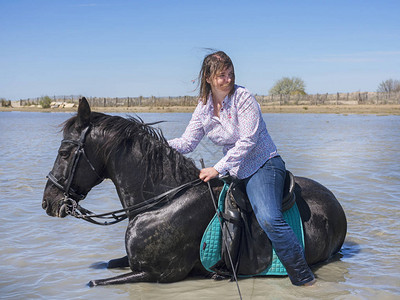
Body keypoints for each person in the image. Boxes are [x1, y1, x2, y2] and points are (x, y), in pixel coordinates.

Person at [168, 51, 316, 286]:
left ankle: (304, 277)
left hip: (263, 165)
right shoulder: (203, 107)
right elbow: (187, 143)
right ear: (208, 78)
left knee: (268, 217)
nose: (227, 79)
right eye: (221, 75)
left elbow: (248, 141)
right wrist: (155, 145)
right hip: (234, 170)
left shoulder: (244, 98)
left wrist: (217, 168)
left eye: (230, 74)